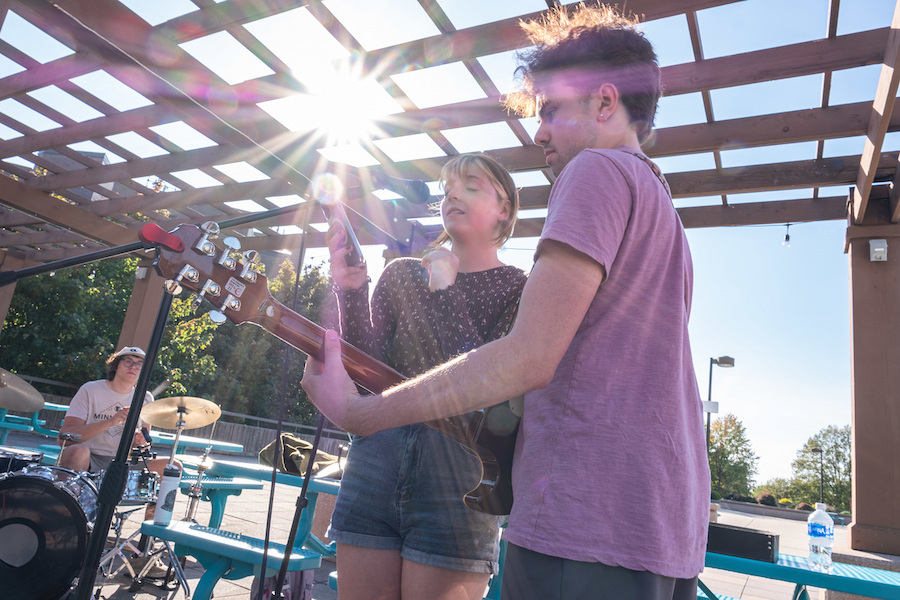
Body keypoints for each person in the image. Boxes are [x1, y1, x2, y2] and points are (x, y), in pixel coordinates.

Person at [302, 6, 710, 600]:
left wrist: (360, 414)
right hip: (660, 526)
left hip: (585, 517)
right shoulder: (662, 208)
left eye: (549, 110)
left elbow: (526, 358)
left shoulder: (595, 169)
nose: (538, 133)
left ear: (603, 103)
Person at [325, 153, 526, 600]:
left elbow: (483, 382)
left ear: (504, 209)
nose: (452, 193)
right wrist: (352, 289)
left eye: (470, 185)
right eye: (448, 187)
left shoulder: (521, 288)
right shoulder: (400, 275)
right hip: (376, 455)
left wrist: (446, 288)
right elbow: (367, 377)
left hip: (461, 475)